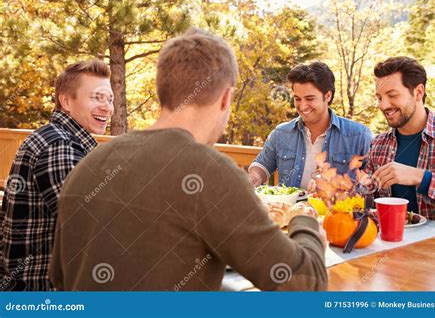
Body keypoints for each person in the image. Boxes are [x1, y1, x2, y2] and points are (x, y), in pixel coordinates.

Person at [49, 29, 328, 291]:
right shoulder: (212, 173)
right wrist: (305, 222)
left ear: (163, 91)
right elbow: (305, 285)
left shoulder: (87, 166)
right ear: (226, 98)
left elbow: (60, 278)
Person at [0, 60, 114, 291]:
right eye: (96, 98)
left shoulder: (56, 137)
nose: (107, 107)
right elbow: (89, 224)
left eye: (109, 99)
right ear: (66, 101)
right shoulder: (59, 145)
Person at [367, 56, 435, 227]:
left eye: (392, 95)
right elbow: (368, 198)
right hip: (389, 245)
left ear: (418, 92)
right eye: (379, 98)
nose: (384, 105)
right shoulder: (378, 145)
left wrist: (421, 178)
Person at [248, 62, 372, 189]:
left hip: (336, 209)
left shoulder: (359, 135)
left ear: (327, 96)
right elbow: (261, 165)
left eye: (310, 99)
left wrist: (335, 187)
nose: (302, 106)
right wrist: (254, 177)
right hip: (290, 208)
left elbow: (372, 185)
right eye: (297, 99)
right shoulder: (281, 133)